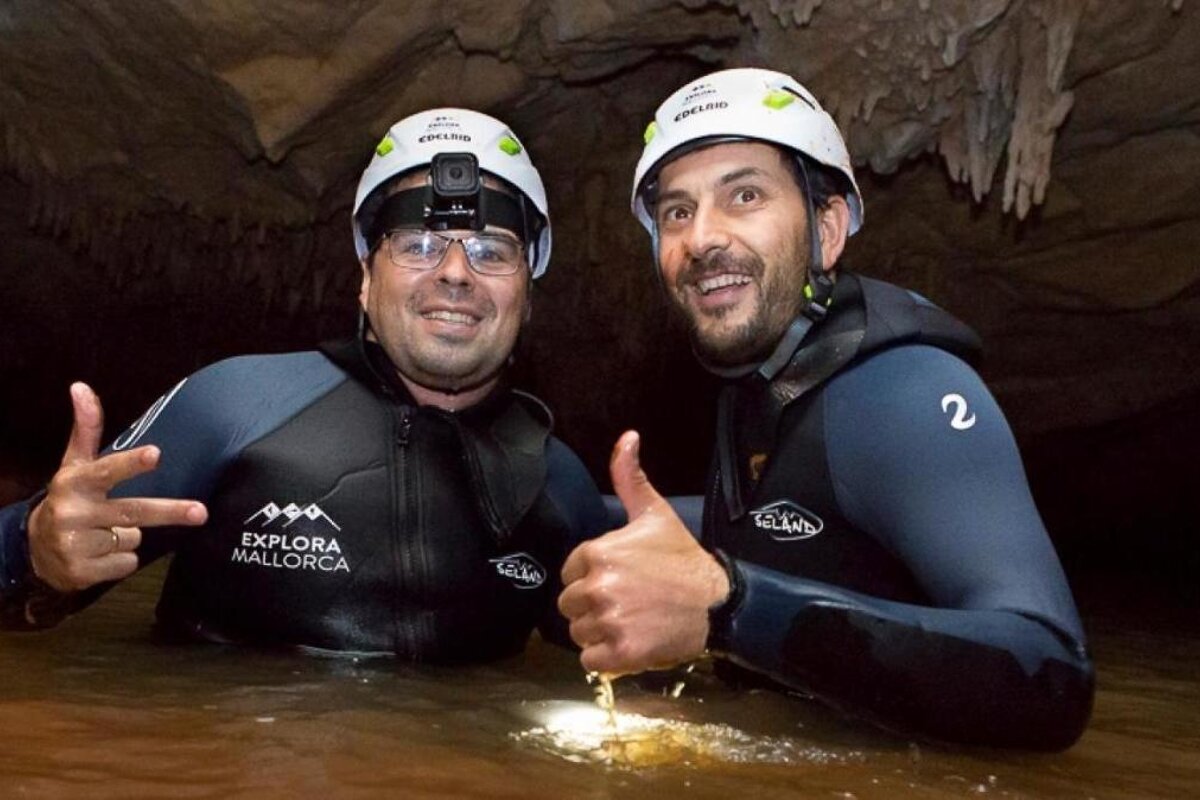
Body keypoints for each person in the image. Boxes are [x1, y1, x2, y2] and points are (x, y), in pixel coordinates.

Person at [558, 68, 1094, 749]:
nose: (700, 239)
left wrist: (728, 607)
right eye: (677, 212)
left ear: (828, 228)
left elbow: (1052, 674)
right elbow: (787, 525)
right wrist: (569, 514)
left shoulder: (904, 391)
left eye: (744, 195)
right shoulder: (760, 392)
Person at [0, 108, 608, 661]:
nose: (454, 273)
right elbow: (36, 570)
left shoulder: (560, 488)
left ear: (527, 295)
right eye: (417, 244)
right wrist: (32, 550)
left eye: (491, 250)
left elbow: (628, 666)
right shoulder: (234, 408)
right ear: (366, 278)